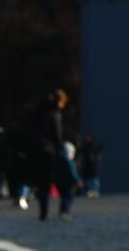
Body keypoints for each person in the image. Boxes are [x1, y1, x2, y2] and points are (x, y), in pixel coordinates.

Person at [35, 91, 75, 221]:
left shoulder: (41, 112)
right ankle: (64, 210)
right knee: (63, 182)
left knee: (43, 185)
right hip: (51, 152)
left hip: (39, 151)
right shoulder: (55, 114)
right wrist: (61, 148)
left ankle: (43, 212)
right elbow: (57, 135)